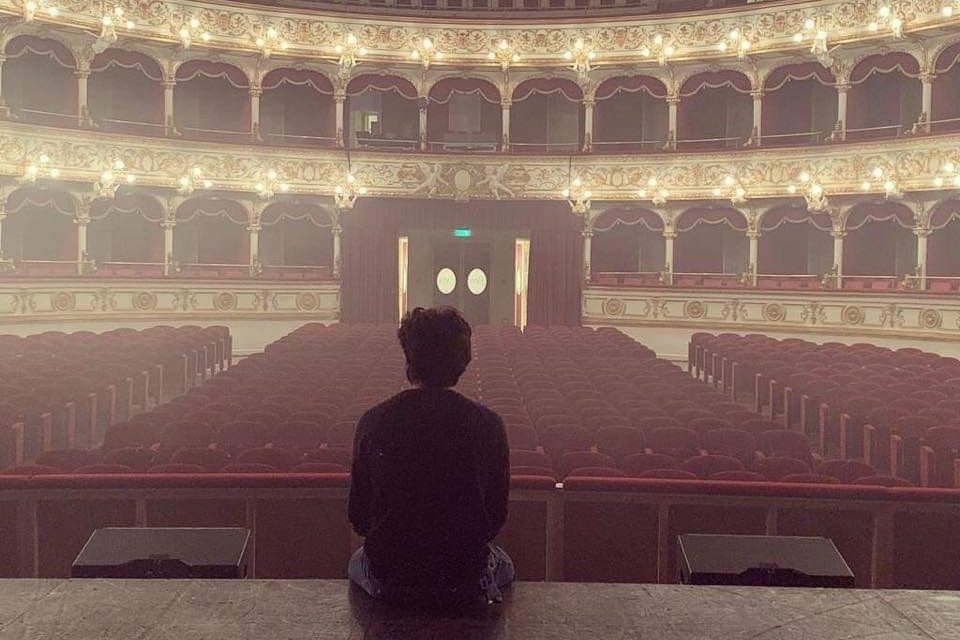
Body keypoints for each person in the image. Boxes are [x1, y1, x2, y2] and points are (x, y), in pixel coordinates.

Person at [348, 306, 514, 607]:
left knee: (356, 561)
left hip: (391, 573)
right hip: (463, 573)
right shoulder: (489, 424)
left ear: (409, 358)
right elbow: (495, 517)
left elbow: (359, 518)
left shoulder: (374, 421)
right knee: (506, 565)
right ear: (463, 360)